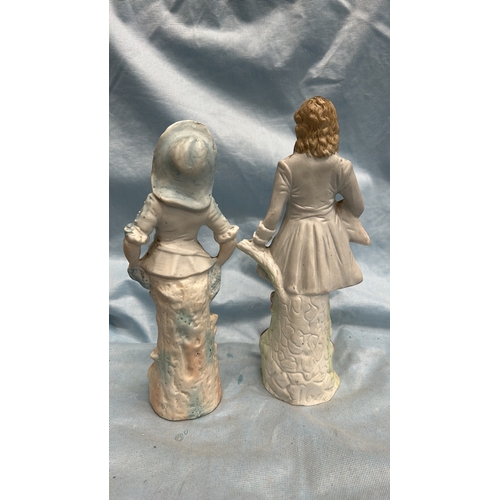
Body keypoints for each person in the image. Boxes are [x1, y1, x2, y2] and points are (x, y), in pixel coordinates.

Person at [252, 96, 368, 296]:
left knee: (292, 286)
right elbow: (357, 208)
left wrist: (258, 242)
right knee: (322, 286)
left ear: (301, 127)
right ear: (332, 127)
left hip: (293, 238)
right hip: (329, 237)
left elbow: (274, 214)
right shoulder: (341, 167)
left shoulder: (287, 166)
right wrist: (334, 210)